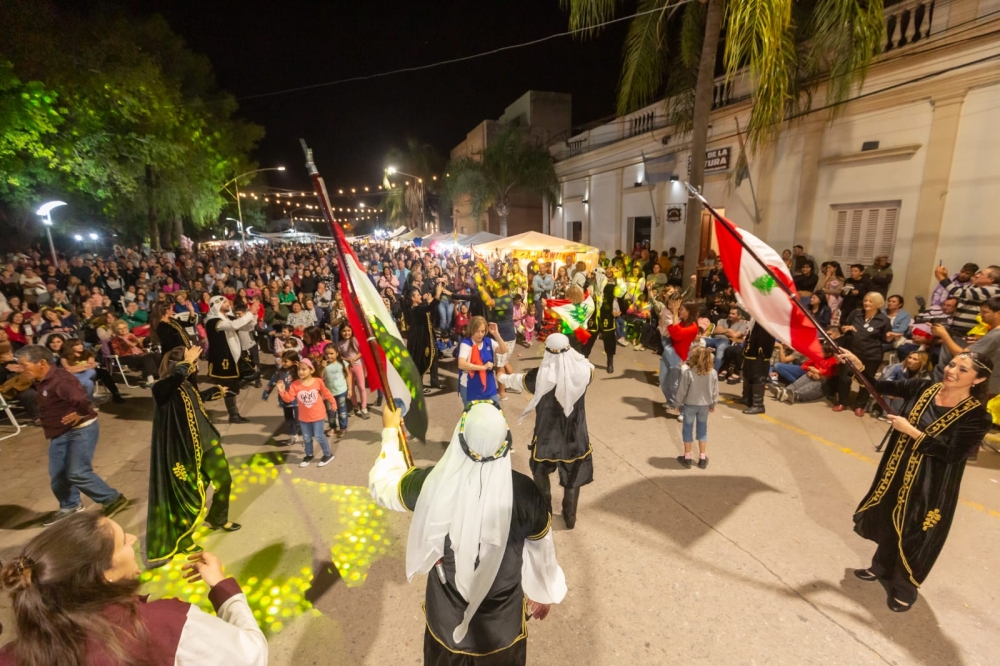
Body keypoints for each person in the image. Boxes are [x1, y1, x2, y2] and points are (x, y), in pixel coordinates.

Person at [369, 402, 567, 664]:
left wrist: (390, 431)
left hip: (446, 630)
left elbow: (383, 485)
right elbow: (542, 550)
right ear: (505, 443)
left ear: (459, 439)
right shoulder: (525, 493)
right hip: (502, 634)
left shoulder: (432, 485)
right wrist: (544, 593)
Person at [0, 512, 267, 666]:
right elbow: (250, 655)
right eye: (122, 542)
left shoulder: (14, 655)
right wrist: (223, 589)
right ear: (104, 574)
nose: (133, 538)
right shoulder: (161, 623)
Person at [840, 349, 993, 613]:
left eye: (963, 370)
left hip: (930, 485)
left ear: (978, 380)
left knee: (916, 533)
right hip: (896, 471)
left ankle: (905, 588)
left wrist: (911, 431)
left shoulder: (977, 417)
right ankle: (880, 567)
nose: (952, 371)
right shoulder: (923, 388)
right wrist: (859, 365)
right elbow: (877, 386)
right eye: (952, 364)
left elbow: (952, 454)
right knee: (889, 516)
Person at [13, 345, 128, 526]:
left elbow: (81, 399)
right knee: (58, 475)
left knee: (77, 472)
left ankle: (113, 499)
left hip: (80, 431)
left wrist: (81, 413)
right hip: (59, 434)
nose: (21, 369)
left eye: (24, 365)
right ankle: (70, 507)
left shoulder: (61, 380)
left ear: (42, 363)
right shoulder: (43, 379)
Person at [147, 346, 239, 565]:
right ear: (177, 366)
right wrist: (186, 362)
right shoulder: (162, 388)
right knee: (187, 495)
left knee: (224, 481)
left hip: (209, 443)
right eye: (193, 364)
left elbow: (195, 403)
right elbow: (169, 388)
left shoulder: (186, 383)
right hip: (186, 452)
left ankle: (218, 518)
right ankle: (183, 540)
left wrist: (216, 391)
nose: (195, 368)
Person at [498, 333, 595, 530]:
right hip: (574, 436)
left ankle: (545, 512)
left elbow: (517, 381)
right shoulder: (583, 372)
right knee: (573, 473)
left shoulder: (540, 376)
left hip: (546, 436)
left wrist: (500, 376)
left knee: (540, 471)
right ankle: (570, 517)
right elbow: (588, 364)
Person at [833, 292, 891, 416]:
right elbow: (843, 326)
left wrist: (890, 337)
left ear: (878, 304)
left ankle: (860, 405)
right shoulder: (856, 313)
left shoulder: (884, 319)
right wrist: (845, 328)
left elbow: (886, 339)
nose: (867, 303)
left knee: (866, 380)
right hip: (851, 351)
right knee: (844, 378)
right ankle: (842, 402)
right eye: (865, 300)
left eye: (870, 301)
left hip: (871, 354)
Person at [205, 295, 257, 423]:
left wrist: (252, 315)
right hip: (223, 358)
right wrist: (249, 313)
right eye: (225, 302)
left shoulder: (227, 318)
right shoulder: (213, 321)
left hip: (235, 355)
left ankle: (234, 387)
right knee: (228, 386)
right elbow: (234, 325)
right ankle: (233, 415)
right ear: (217, 305)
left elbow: (246, 327)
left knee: (254, 373)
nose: (228, 304)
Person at [279, 358, 336, 468]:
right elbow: (289, 399)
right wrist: (282, 391)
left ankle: (328, 454)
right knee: (306, 437)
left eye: (304, 369)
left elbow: (326, 392)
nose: (301, 372)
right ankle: (309, 455)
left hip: (318, 414)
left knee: (319, 436)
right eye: (299, 369)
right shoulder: (295, 385)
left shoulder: (318, 381)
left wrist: (333, 402)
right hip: (304, 417)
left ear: (312, 370)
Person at [675, 346, 718, 469]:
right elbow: (715, 391)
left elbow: (682, 390)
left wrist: (677, 404)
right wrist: (713, 404)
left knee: (687, 429)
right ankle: (702, 458)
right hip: (704, 406)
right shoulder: (713, 373)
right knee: (702, 430)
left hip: (690, 405)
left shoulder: (688, 372)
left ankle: (687, 457)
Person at [933, 264, 1000, 336]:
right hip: (959, 328)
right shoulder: (977, 287)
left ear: (991, 279)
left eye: (981, 274)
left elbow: (957, 292)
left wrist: (940, 277)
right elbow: (955, 290)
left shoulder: (991, 290)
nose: (977, 275)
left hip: (970, 331)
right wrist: (945, 277)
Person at [662, 300, 700, 417]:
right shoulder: (682, 322)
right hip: (669, 354)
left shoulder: (693, 327)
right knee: (664, 383)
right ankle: (673, 403)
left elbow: (676, 334)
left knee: (676, 385)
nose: (679, 311)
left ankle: (684, 410)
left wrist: (674, 314)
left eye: (681, 309)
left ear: (689, 312)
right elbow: (670, 330)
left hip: (679, 357)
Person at [405, 282, 444, 392]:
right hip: (419, 340)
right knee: (419, 360)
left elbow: (429, 308)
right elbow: (429, 307)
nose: (420, 296)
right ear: (413, 298)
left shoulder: (420, 307)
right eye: (417, 295)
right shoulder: (414, 310)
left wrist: (429, 301)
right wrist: (437, 294)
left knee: (434, 356)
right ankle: (419, 386)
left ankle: (435, 381)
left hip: (428, 337)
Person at [582, 266, 618, 373]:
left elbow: (619, 294)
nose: (592, 277)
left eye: (594, 275)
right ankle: (583, 361)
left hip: (606, 316)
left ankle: (610, 363)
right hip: (593, 317)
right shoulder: (589, 287)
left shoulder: (610, 287)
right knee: (589, 339)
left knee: (609, 340)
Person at [262, 350, 302, 444]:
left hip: (297, 400)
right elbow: (271, 383)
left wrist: (299, 367)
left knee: (298, 419)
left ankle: (302, 432)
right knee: (288, 419)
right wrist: (265, 394)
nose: (283, 363)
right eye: (282, 360)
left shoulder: (298, 371)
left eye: (286, 361)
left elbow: (306, 379)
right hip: (284, 400)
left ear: (294, 361)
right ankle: (293, 435)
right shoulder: (279, 372)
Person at [740, 320, 776, 415]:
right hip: (752, 345)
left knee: (758, 376)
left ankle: (758, 404)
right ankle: (747, 398)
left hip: (761, 347)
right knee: (747, 373)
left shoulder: (768, 314)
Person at [337, 324, 370, 419]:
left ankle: (364, 407)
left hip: (358, 365)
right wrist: (347, 360)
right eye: (344, 331)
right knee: (350, 388)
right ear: (340, 332)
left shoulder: (355, 340)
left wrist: (353, 359)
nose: (346, 333)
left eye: (348, 330)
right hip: (347, 368)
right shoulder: (339, 344)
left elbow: (362, 352)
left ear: (351, 331)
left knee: (361, 387)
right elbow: (339, 355)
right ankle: (355, 406)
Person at [704, 305, 748, 373]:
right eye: (729, 313)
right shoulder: (722, 321)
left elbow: (735, 336)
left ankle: (715, 372)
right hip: (714, 339)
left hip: (726, 342)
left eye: (733, 314)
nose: (730, 315)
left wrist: (722, 330)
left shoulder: (743, 325)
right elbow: (715, 331)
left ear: (739, 316)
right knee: (700, 341)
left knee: (721, 348)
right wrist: (728, 330)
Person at [323, 344, 352, 439]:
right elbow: (319, 377)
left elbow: (348, 375)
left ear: (337, 353)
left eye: (331, 353)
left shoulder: (343, 363)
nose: (329, 356)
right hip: (329, 393)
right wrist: (321, 367)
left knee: (342, 410)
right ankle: (332, 427)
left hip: (341, 391)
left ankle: (343, 428)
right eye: (326, 354)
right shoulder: (324, 365)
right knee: (331, 412)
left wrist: (350, 389)